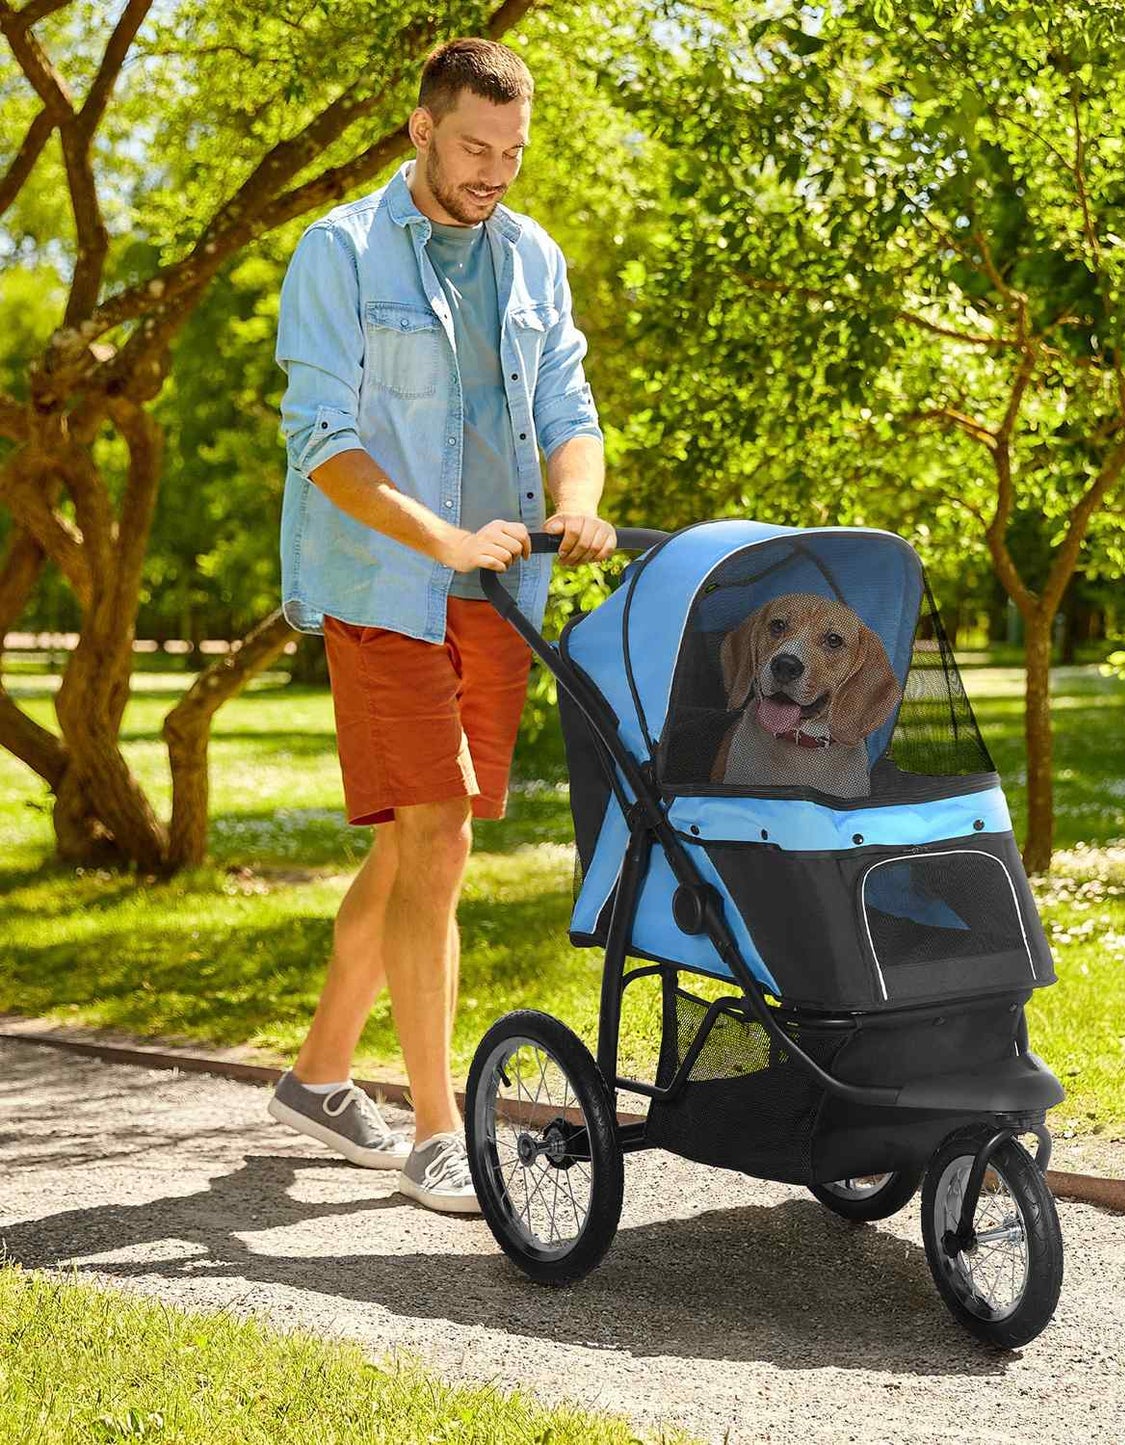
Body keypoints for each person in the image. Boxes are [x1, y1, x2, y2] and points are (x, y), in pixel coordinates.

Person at [266, 36, 616, 1214]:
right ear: (421, 129)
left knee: (417, 839)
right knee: (441, 845)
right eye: (475, 147)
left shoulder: (528, 258)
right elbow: (321, 441)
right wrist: (447, 540)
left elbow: (567, 402)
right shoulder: (342, 253)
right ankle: (434, 1129)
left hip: (501, 600)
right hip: (387, 592)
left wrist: (575, 505)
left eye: (512, 153)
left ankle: (319, 1076)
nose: (494, 173)